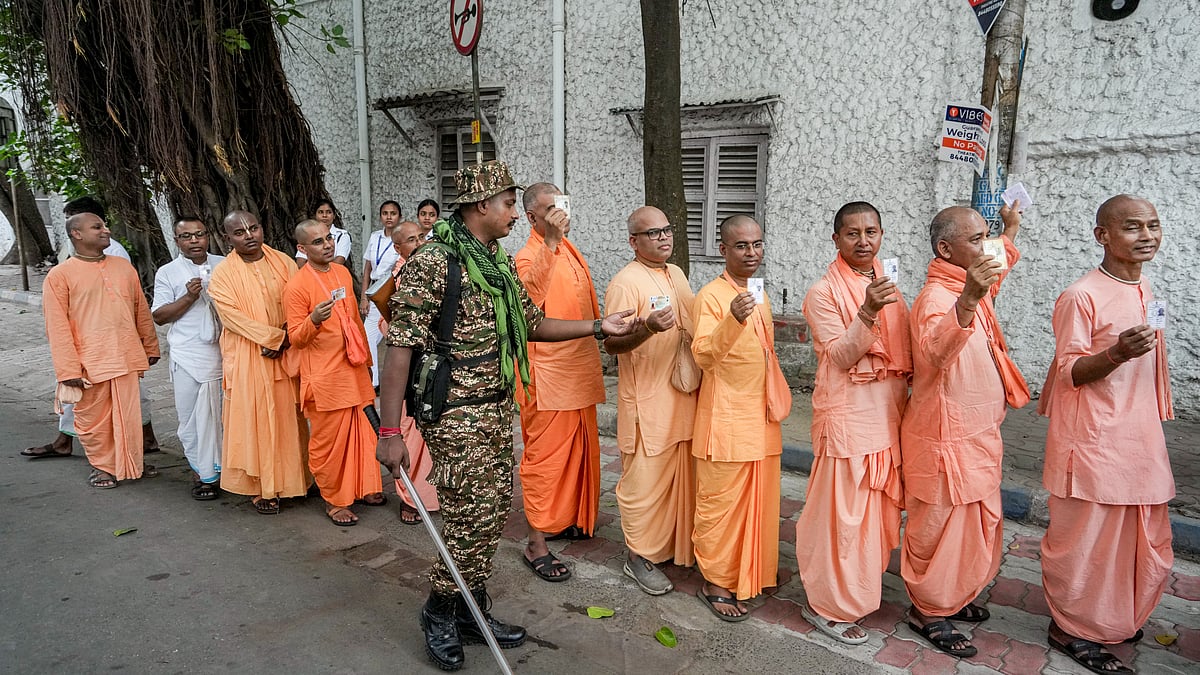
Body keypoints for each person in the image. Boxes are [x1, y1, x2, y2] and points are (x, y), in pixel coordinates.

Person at [376, 160, 637, 671]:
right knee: (469, 516)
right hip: (452, 410)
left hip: (494, 405)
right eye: (510, 204)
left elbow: (531, 324)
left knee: (493, 512)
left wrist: (598, 325)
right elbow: (400, 346)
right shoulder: (436, 262)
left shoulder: (492, 261)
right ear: (481, 206)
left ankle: (469, 609)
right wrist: (389, 431)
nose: (516, 214)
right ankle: (439, 611)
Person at [1038, 195, 1174, 675]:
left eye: (1153, 226)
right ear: (1103, 236)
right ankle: (1072, 627)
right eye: (1133, 227)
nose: (1147, 236)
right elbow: (1069, 371)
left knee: (1141, 535)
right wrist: (1116, 354)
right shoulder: (1081, 295)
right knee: (1087, 540)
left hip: (1138, 433)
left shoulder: (1144, 288)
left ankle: (1113, 618)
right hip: (1092, 437)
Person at [900, 202, 1026, 658]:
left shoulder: (973, 279)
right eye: (976, 240)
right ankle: (929, 610)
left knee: (976, 523)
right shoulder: (936, 298)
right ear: (945, 249)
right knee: (936, 527)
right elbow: (935, 353)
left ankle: (954, 595)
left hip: (978, 435)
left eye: (984, 235)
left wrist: (1010, 228)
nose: (986, 245)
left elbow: (1000, 259)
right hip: (943, 439)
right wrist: (969, 299)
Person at [794, 202, 911, 643]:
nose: (863, 241)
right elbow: (840, 356)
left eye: (871, 232)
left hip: (886, 415)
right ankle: (827, 606)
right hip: (847, 420)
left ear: (881, 235)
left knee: (873, 516)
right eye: (852, 234)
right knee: (841, 518)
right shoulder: (822, 292)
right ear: (836, 240)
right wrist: (866, 312)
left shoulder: (888, 281)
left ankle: (859, 592)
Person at [690, 214, 791, 621]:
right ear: (723, 250)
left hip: (761, 413)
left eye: (757, 244)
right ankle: (715, 581)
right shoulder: (712, 296)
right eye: (742, 246)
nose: (752, 253)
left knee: (761, 501)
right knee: (722, 505)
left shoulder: (758, 290)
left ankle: (753, 571)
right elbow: (703, 354)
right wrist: (732, 317)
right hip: (727, 418)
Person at [602, 205, 698, 596]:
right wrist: (647, 331)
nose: (663, 238)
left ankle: (670, 548)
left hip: (682, 394)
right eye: (652, 233)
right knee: (644, 483)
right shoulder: (626, 282)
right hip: (647, 401)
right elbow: (611, 344)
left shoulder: (675, 274)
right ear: (634, 242)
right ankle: (637, 556)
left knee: (678, 479)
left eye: (666, 230)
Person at [514, 182, 605, 583]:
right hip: (547, 377)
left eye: (562, 206)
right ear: (533, 217)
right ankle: (536, 541)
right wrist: (550, 242)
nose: (560, 215)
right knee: (546, 461)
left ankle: (567, 517)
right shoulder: (526, 255)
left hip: (578, 369)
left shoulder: (570, 250)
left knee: (579, 454)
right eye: (551, 210)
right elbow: (528, 305)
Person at [23, 196, 161, 459]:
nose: (105, 231)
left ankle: (130, 463)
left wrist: (149, 344)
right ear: (77, 233)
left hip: (125, 355)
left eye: (102, 226)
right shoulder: (60, 275)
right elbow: (58, 325)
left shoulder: (119, 261)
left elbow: (139, 308)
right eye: (97, 227)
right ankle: (104, 465)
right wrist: (67, 368)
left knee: (128, 413)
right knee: (93, 416)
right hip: (91, 358)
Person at [208, 210, 312, 515]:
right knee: (255, 422)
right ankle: (263, 488)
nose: (249, 235)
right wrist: (273, 339)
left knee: (288, 419)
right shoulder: (223, 274)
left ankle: (296, 481)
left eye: (253, 228)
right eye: (239, 232)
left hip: (285, 352)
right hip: (248, 357)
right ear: (227, 238)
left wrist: (286, 335)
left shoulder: (284, 262)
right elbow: (232, 318)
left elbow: (300, 302)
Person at [285, 220, 385, 526]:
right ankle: (334, 500)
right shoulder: (297, 286)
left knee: (365, 433)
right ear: (302, 249)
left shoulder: (342, 273)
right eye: (318, 242)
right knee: (330, 443)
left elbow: (355, 322)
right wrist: (314, 319)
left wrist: (368, 364)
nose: (327, 244)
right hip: (325, 377)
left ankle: (365, 486)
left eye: (328, 238)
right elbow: (296, 338)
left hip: (353, 370)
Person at [151, 217, 225, 500]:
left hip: (223, 353)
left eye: (199, 234)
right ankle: (201, 474)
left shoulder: (224, 265)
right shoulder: (168, 272)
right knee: (191, 419)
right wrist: (188, 298)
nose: (194, 240)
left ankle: (225, 471)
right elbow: (159, 316)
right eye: (186, 236)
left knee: (222, 418)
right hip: (188, 356)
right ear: (177, 240)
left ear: (208, 236)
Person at [387, 220, 439, 523]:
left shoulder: (437, 269)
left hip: (433, 362)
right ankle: (410, 497)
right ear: (398, 248)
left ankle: (431, 494)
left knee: (431, 432)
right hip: (409, 360)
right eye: (410, 240)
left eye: (422, 236)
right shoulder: (397, 277)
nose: (419, 243)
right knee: (410, 431)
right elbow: (388, 325)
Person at [360, 201, 402, 388]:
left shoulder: (401, 238)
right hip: (375, 292)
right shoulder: (375, 237)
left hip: (393, 292)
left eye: (393, 213)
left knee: (393, 337)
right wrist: (363, 297)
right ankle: (373, 382)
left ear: (399, 216)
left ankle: (398, 383)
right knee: (367, 337)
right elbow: (368, 268)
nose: (389, 217)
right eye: (385, 213)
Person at [296, 198, 352, 268]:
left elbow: (339, 261)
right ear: (315, 216)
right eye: (320, 212)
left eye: (328, 212)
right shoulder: (309, 234)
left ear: (334, 216)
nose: (324, 215)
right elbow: (301, 262)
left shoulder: (342, 235)